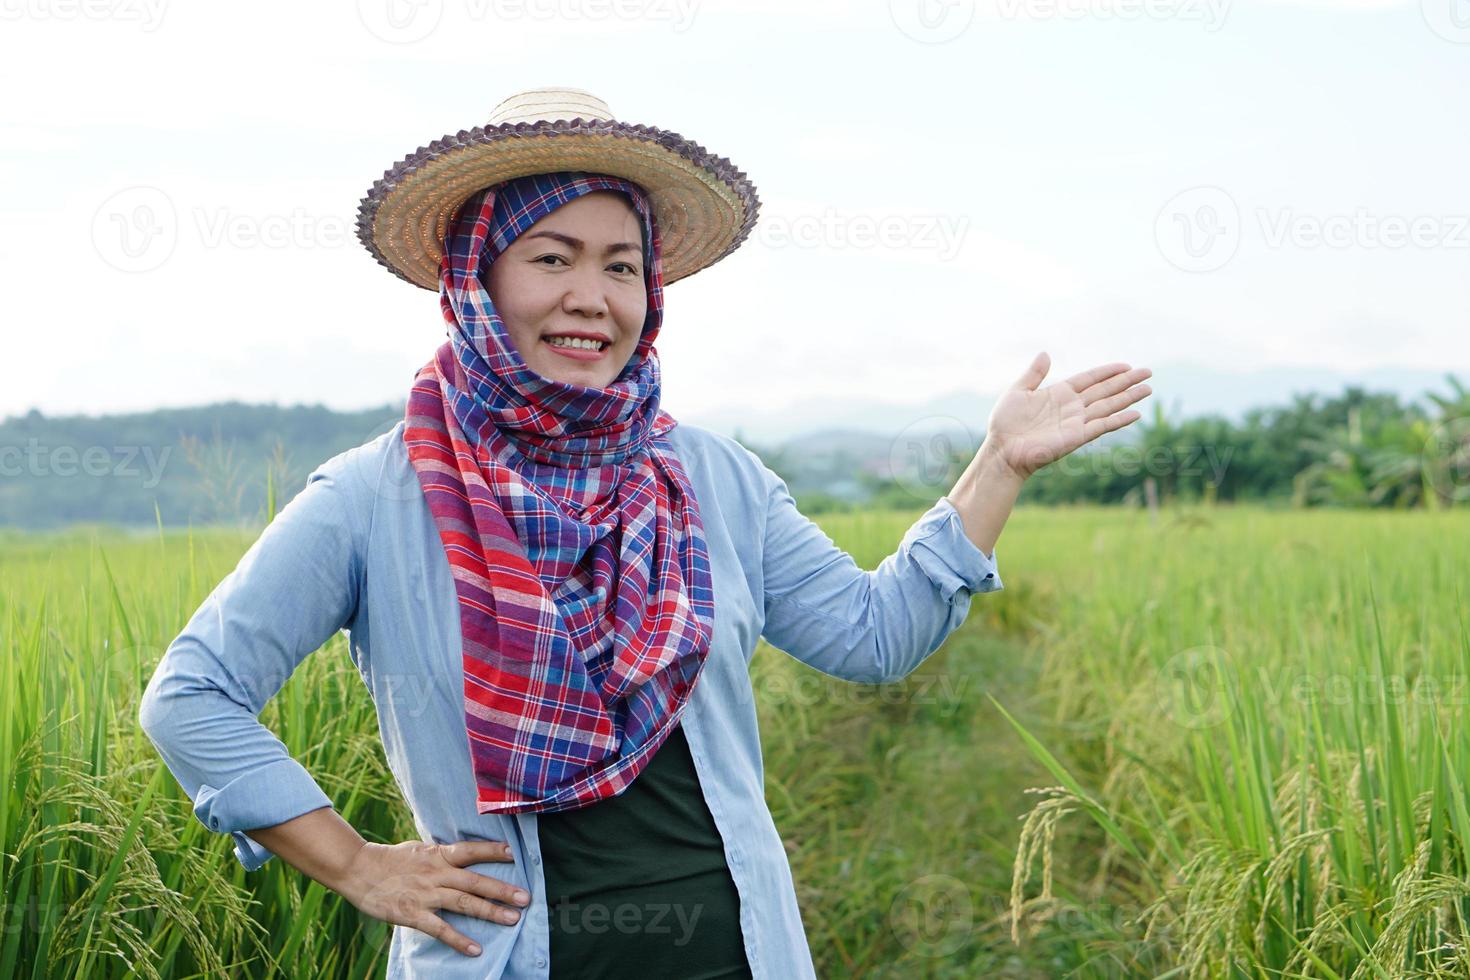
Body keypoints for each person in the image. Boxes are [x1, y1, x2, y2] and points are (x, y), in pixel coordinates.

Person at [138, 86, 1152, 979]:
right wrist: (356, 864)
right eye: (551, 257)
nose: (593, 296)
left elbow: (873, 632)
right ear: (476, 279)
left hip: (734, 952)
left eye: (622, 265)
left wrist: (997, 463)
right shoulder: (378, 494)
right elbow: (192, 693)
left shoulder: (712, 479)